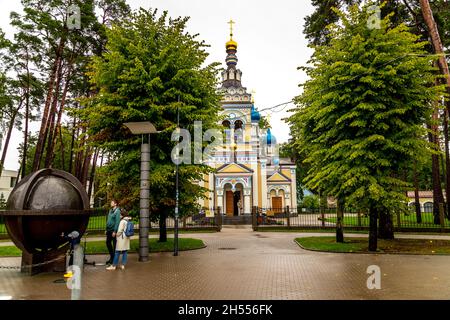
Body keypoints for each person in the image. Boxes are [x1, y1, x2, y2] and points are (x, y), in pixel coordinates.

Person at [105, 199, 121, 265]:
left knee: (114, 246)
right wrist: (106, 229)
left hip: (113, 231)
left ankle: (114, 260)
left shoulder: (117, 211)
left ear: (115, 204)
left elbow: (117, 222)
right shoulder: (110, 211)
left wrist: (115, 231)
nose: (111, 203)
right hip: (108, 230)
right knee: (108, 243)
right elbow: (108, 220)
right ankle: (112, 257)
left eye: (112, 202)